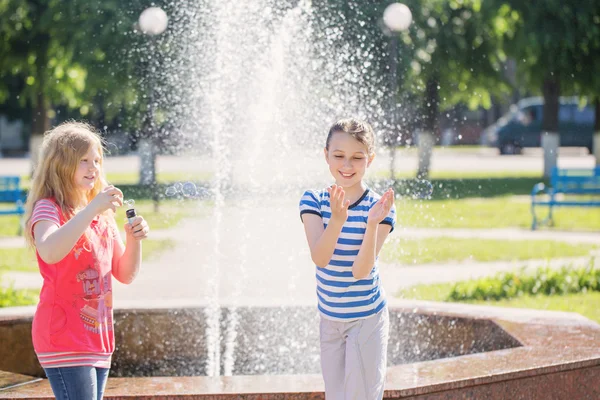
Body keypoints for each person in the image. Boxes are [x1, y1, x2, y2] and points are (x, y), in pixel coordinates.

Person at [23, 121, 149, 400]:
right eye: (83, 161)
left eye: (97, 160)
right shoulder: (49, 208)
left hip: (98, 340)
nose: (93, 168)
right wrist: (92, 209)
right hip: (62, 337)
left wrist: (134, 239)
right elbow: (49, 250)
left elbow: (125, 273)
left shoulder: (101, 215)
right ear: (61, 164)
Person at [299, 118, 396, 399]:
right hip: (329, 319)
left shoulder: (380, 208)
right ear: (326, 155)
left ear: (370, 159)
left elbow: (361, 270)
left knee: (361, 395)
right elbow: (320, 257)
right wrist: (337, 220)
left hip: (366, 318)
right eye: (339, 156)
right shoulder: (313, 200)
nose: (347, 165)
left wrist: (371, 224)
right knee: (337, 395)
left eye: (357, 157)